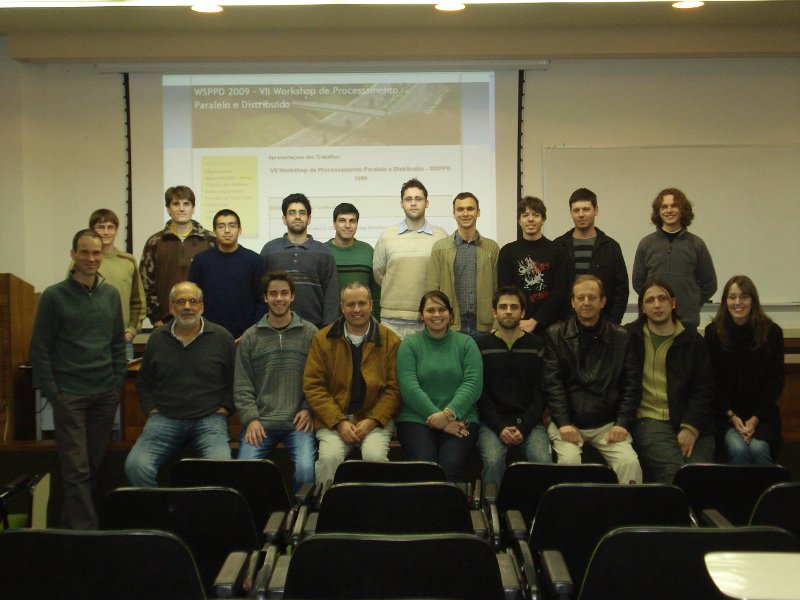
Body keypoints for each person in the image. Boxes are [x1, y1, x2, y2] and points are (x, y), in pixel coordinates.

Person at [30, 229, 126, 529]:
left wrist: (116, 384)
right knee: (77, 469)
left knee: (91, 467)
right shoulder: (54, 296)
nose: (91, 258)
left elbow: (117, 344)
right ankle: (88, 537)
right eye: (84, 252)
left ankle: (65, 531)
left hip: (104, 395)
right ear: (73, 254)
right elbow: (39, 348)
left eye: (96, 253)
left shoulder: (110, 295)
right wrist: (54, 393)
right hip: (69, 395)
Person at [124, 281, 235, 487]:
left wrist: (224, 409)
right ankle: (163, 507)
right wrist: (152, 409)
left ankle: (202, 509)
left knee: (221, 468)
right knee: (135, 466)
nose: (187, 307)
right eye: (180, 301)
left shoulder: (222, 338)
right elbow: (144, 381)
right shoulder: (157, 338)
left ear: (202, 306)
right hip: (164, 419)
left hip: (209, 420)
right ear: (171, 307)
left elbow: (234, 380)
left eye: (193, 301)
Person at [543, 275, 642, 484]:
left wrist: (622, 424)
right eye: (580, 298)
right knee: (568, 463)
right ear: (572, 302)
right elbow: (553, 384)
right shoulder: (555, 334)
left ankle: (627, 508)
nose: (586, 302)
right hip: (568, 422)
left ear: (603, 301)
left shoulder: (622, 337)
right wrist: (563, 423)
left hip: (608, 423)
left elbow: (631, 386)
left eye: (592, 297)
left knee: (629, 463)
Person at [304, 281, 401, 483]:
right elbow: (314, 386)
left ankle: (376, 504)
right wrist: (339, 422)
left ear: (371, 304)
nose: (357, 309)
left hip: (375, 421)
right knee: (329, 459)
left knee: (375, 458)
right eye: (350, 304)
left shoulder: (390, 340)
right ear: (342, 307)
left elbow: (395, 389)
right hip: (334, 421)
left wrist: (372, 421)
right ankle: (325, 502)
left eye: (362, 303)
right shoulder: (322, 339)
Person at [234, 270, 318, 490]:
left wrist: (308, 408)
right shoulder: (250, 337)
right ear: (265, 298)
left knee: (306, 469)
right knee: (245, 470)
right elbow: (242, 386)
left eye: (284, 293)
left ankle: (300, 511)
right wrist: (251, 419)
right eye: (273, 294)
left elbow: (319, 380)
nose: (279, 298)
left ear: (292, 296)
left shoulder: (310, 333)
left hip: (298, 424)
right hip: (261, 423)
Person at [625, 279, 716, 483]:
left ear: (673, 303)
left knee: (700, 477)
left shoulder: (693, 341)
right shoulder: (630, 337)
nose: (657, 305)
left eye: (662, 299)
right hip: (649, 418)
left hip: (691, 420)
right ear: (642, 308)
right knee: (675, 475)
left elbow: (704, 389)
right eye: (650, 300)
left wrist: (690, 428)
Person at [395, 291, 483, 482]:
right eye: (430, 310)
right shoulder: (409, 345)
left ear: (450, 314)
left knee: (450, 467)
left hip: (461, 419)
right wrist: (439, 418)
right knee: (425, 467)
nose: (436, 314)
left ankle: (453, 503)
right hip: (416, 419)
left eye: (441, 309)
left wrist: (447, 415)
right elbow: (409, 387)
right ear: (421, 315)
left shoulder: (467, 344)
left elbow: (473, 384)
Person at [477, 285, 551, 487]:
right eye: (503, 307)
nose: (508, 311)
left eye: (514, 307)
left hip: (530, 424)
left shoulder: (538, 346)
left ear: (523, 312)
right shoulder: (481, 346)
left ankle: (538, 507)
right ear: (494, 312)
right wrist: (499, 427)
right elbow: (479, 394)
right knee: (493, 462)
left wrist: (524, 426)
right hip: (492, 425)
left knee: (543, 462)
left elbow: (541, 393)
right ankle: (491, 507)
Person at [706, 275, 784, 464]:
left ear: (753, 300)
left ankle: (767, 485)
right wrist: (732, 416)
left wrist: (756, 417)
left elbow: (775, 382)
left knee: (759, 448)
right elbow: (712, 382)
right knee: (738, 448)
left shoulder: (772, 332)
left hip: (762, 414)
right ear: (725, 301)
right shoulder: (713, 333)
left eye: (744, 297)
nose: (738, 302)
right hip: (725, 415)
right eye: (732, 297)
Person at [632, 188, 717, 330]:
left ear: (682, 210)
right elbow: (638, 282)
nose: (669, 210)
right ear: (658, 211)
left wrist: (692, 303)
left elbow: (710, 284)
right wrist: (653, 303)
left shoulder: (696, 244)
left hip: (687, 322)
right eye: (664, 207)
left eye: (674, 206)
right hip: (654, 322)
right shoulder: (646, 244)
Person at [373, 178, 448, 338]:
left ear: (427, 203)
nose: (413, 203)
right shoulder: (387, 236)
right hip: (391, 321)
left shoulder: (441, 236)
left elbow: (443, 276)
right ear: (402, 204)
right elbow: (379, 274)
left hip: (429, 318)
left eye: (418, 199)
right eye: (408, 199)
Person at [140, 185, 215, 327]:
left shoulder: (210, 240)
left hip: (205, 321)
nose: (181, 209)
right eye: (176, 204)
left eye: (186, 204)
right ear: (168, 209)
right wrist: (156, 319)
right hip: (166, 321)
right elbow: (146, 284)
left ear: (193, 208)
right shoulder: (155, 242)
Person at [426, 192, 500, 337]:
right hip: (451, 326)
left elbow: (498, 289)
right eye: (460, 209)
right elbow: (432, 290)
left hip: (484, 328)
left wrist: (497, 324)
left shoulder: (492, 248)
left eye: (470, 209)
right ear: (454, 214)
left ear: (478, 212)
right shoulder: (440, 248)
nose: (465, 213)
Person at [260, 193, 338, 328]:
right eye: (292, 213)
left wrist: (328, 329)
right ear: (284, 219)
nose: (297, 216)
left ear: (309, 219)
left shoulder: (324, 252)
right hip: (274, 328)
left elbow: (331, 294)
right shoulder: (269, 250)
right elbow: (260, 291)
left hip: (315, 328)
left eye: (302, 212)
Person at [188, 209, 266, 340]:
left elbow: (263, 301)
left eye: (232, 226)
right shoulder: (201, 261)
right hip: (207, 336)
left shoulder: (255, 261)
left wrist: (251, 333)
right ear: (214, 231)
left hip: (247, 338)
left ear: (239, 230)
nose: (227, 230)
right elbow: (193, 299)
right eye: (221, 226)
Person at [554, 188, 629, 324]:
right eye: (576, 210)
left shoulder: (610, 247)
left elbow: (621, 290)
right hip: (566, 326)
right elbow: (553, 289)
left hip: (603, 325)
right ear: (571, 213)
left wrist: (611, 324)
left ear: (596, 210)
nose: (581, 214)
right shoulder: (558, 246)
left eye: (586, 209)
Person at [497, 196, 570, 335]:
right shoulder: (507, 252)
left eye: (536, 215)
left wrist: (535, 320)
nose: (530, 219)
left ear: (543, 219)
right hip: (517, 326)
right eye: (525, 215)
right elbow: (505, 291)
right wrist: (518, 319)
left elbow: (559, 292)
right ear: (519, 220)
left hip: (551, 327)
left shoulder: (558, 251)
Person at [85, 208, 146, 360]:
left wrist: (131, 331)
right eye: (101, 227)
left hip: (122, 341)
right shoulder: (83, 261)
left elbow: (138, 300)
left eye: (110, 227)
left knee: (123, 376)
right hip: (89, 340)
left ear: (116, 230)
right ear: (92, 230)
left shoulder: (128, 260)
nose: (106, 232)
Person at [325, 202, 381, 320]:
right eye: (342, 220)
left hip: (362, 321)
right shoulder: (323, 251)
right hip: (330, 322)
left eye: (352, 221)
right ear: (334, 224)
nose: (347, 225)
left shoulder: (367, 250)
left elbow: (376, 290)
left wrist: (375, 319)